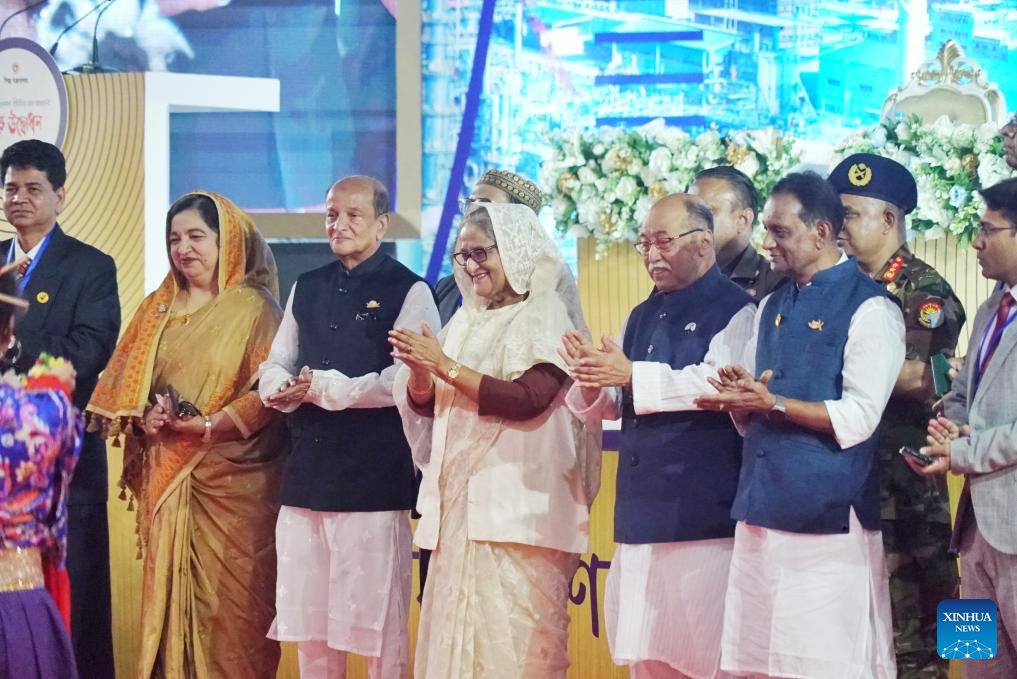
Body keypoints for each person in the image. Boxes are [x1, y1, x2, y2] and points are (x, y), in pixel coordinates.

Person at [572, 171, 904, 678]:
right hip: (758, 514)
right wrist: (741, 402)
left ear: (821, 232)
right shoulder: (772, 305)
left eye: (779, 232)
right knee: (753, 665)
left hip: (829, 516)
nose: (766, 244)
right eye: (767, 230)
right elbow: (737, 397)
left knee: (828, 663)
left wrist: (771, 402)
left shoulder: (871, 306)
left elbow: (858, 418)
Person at [388, 203, 601, 678]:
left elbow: (529, 398)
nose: (469, 266)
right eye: (461, 256)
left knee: (517, 656)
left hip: (519, 516)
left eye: (481, 253)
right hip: (460, 517)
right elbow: (431, 403)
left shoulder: (544, 312)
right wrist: (421, 374)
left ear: (514, 250)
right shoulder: (467, 318)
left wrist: (443, 365)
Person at [87, 192, 287, 678]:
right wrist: (146, 418)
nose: (184, 248)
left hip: (238, 490)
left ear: (227, 242)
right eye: (175, 238)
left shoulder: (255, 310)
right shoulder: (156, 309)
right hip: (171, 476)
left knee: (233, 616)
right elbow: (123, 389)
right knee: (168, 604)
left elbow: (270, 394)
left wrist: (213, 425)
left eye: (197, 236)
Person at [562, 194, 752, 679]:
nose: (651, 255)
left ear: (704, 242)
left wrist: (629, 374)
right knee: (646, 657)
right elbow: (620, 402)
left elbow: (719, 384)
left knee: (708, 659)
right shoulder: (642, 313)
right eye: (644, 243)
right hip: (641, 512)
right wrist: (592, 378)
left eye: (663, 242)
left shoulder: (738, 309)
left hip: (701, 514)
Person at [260, 175, 440, 679]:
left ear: (382, 224)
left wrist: (326, 388)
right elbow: (276, 362)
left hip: (372, 482)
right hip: (306, 479)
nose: (338, 224)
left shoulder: (410, 289)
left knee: (380, 628)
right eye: (331, 214)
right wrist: (281, 387)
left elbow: (407, 378)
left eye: (352, 215)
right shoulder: (307, 285)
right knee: (311, 626)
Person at [829, 152, 964, 678]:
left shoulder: (923, 289)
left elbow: (921, 377)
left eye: (849, 214)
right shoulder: (837, 286)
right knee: (861, 629)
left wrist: (830, 371)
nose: (837, 226)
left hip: (908, 491)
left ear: (888, 219)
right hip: (853, 483)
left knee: (925, 629)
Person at [1, 139, 120, 679]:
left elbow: (90, 349)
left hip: (61, 470)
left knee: (76, 604)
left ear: (60, 196)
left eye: (33, 188)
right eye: (11, 188)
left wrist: (12, 358)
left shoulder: (90, 266)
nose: (19, 198)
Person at [911, 177, 1017, 679]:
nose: (976, 242)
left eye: (987, 230)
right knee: (977, 664)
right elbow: (961, 395)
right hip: (972, 530)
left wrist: (963, 452)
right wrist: (944, 436)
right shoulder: (989, 309)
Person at [0, 268, 80, 679]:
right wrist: (53, 388)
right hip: (17, 604)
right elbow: (55, 516)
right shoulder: (46, 412)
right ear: (9, 333)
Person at [434, 168, 544, 324]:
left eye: (483, 205)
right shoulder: (445, 288)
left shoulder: (539, 296)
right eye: (468, 203)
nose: (471, 213)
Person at [690, 165, 784, 302]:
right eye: (689, 213)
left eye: (706, 213)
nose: (690, 222)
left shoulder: (775, 283)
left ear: (743, 220)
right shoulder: (677, 273)